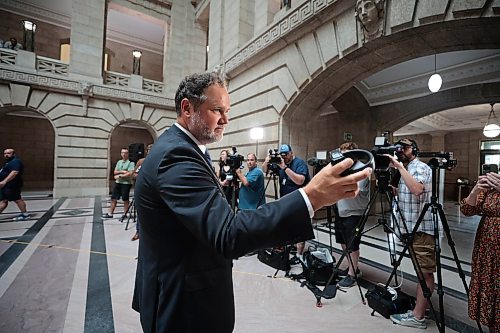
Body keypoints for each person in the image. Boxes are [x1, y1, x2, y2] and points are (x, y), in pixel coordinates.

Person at [131, 68, 372, 332]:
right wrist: (312, 197)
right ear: (187, 108)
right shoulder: (175, 154)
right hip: (183, 306)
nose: (225, 120)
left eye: (228, 112)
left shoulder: (178, 147)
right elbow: (228, 234)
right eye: (217, 110)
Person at [386, 138, 435, 329]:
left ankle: (419, 317)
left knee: (425, 273)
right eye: (397, 149)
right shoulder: (403, 170)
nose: (400, 152)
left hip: (422, 228)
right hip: (409, 227)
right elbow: (403, 194)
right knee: (420, 272)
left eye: (404, 148)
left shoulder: (420, 167)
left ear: (414, 150)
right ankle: (421, 308)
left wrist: (399, 166)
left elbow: (417, 190)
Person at [460, 171, 499, 333]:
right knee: (490, 289)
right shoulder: (493, 183)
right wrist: (476, 189)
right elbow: (467, 210)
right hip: (487, 249)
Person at [263, 143, 310, 261]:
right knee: (287, 225)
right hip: (285, 200)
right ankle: (288, 248)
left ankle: (299, 255)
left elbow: (300, 180)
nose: (284, 158)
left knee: (299, 228)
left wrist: (284, 167)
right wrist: (267, 161)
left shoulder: (299, 163)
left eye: (286, 155)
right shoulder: (280, 162)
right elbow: (265, 170)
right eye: (282, 155)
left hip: (299, 201)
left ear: (291, 153)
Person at [335, 142, 370, 288]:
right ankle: (352, 267)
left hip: (355, 212)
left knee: (352, 245)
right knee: (343, 242)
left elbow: (354, 189)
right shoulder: (343, 169)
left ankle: (352, 274)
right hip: (341, 210)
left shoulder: (362, 168)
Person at [102, 148, 135, 219]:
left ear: (128, 154)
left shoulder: (131, 163)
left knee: (125, 199)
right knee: (114, 198)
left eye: (125, 153)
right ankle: (110, 213)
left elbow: (130, 173)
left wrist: (119, 175)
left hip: (126, 183)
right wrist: (123, 172)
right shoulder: (119, 162)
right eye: (122, 153)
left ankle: (125, 214)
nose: (124, 154)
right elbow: (115, 172)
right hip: (118, 183)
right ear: (121, 153)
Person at [130, 143, 153, 241]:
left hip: (154, 191)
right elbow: (133, 174)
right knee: (141, 212)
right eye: (148, 149)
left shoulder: (159, 160)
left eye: (152, 149)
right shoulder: (141, 161)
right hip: (143, 191)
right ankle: (138, 232)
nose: (150, 151)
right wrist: (142, 176)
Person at [0, 148, 29, 221]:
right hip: (7, 186)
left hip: (12, 185)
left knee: (17, 199)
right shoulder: (8, 162)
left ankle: (25, 214)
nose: (6, 155)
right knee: (4, 200)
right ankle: (25, 214)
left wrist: (4, 181)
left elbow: (14, 172)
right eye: (5, 153)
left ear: (14, 154)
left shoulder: (15, 161)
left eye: (8, 153)